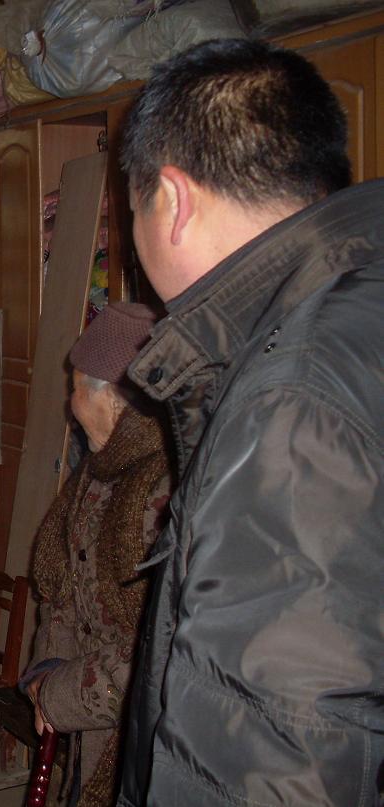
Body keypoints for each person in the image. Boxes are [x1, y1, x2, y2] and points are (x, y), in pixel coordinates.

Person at [116, 39, 383, 806]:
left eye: (131, 209)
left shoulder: (294, 401)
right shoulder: (360, 304)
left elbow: (275, 747)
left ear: (173, 200)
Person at [19, 302, 172, 807]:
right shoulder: (96, 472)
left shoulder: (164, 491)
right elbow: (63, 586)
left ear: (114, 399)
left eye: (78, 388)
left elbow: (157, 649)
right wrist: (48, 668)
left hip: (146, 738)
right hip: (92, 717)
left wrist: (60, 695)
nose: (71, 403)